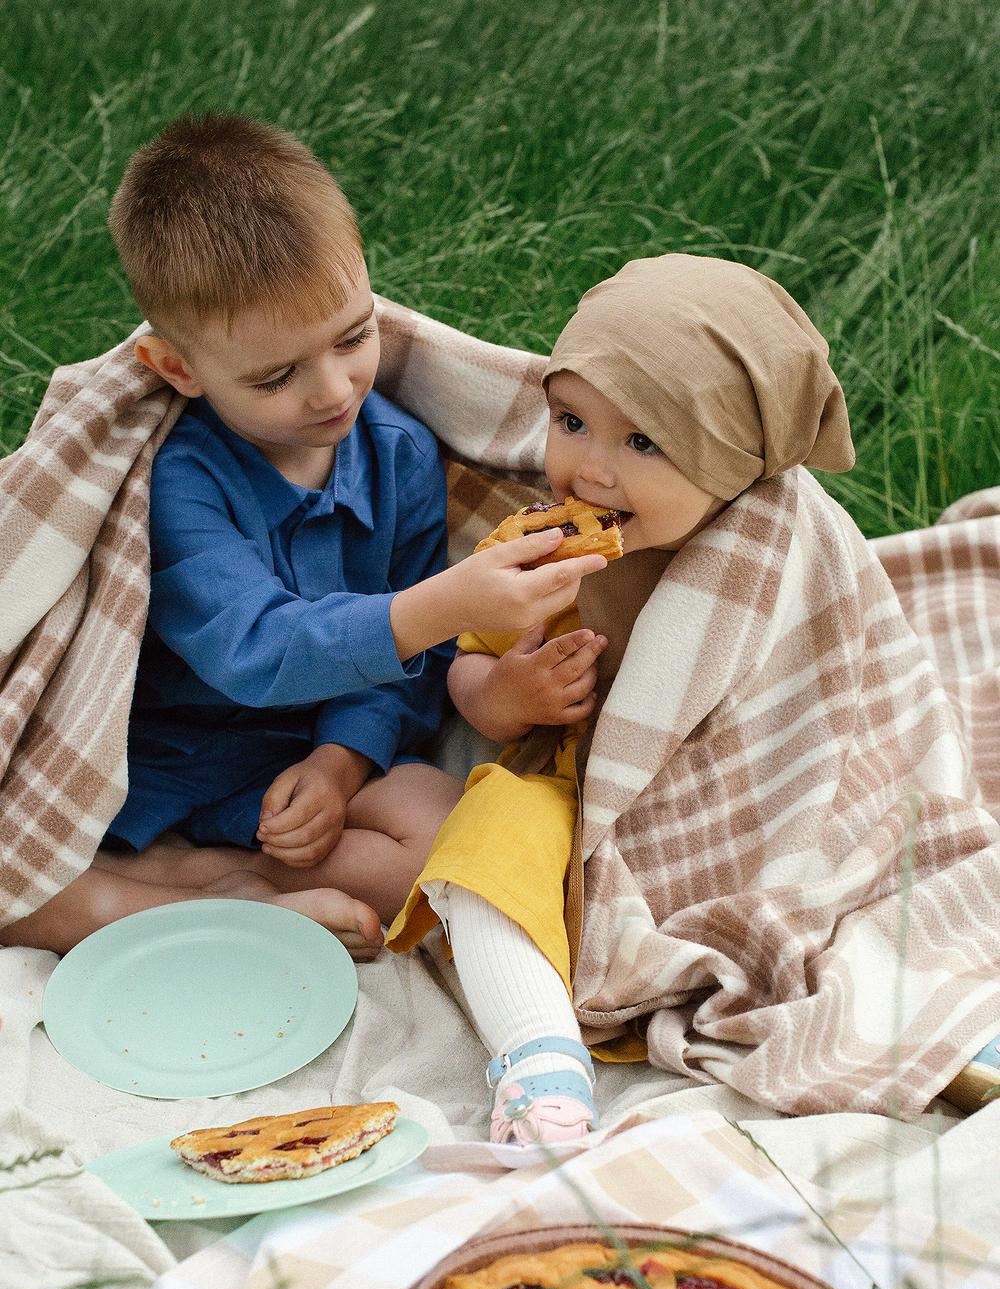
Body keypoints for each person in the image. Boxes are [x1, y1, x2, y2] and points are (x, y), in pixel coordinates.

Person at [3, 115, 608, 957]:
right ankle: (181, 901)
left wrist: (341, 761)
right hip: (167, 758)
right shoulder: (182, 480)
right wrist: (436, 607)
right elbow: (251, 646)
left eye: (355, 337)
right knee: (16, 881)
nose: (333, 390)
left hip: (300, 752)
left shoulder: (396, 452)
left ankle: (218, 887)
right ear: (179, 370)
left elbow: (408, 670)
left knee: (446, 838)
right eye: (276, 375)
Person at [387, 252, 857, 1143]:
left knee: (840, 883)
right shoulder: (546, 549)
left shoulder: (779, 549)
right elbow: (466, 675)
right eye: (571, 421)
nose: (591, 470)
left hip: (741, 796)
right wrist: (510, 692)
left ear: (732, 460)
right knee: (479, 845)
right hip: (580, 791)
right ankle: (536, 1058)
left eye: (643, 442)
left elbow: (830, 691)